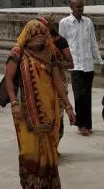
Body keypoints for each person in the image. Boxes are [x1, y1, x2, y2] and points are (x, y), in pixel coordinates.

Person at [6, 20, 76, 188]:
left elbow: (57, 81)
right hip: (24, 110)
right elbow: (9, 79)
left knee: (49, 148)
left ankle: (48, 183)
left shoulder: (50, 52)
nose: (39, 38)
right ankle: (31, 184)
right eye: (35, 35)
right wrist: (14, 103)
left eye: (42, 34)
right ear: (28, 36)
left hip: (48, 108)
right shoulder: (18, 52)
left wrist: (68, 106)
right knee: (29, 149)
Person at [58, 0, 103, 136]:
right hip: (75, 65)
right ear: (71, 7)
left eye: (82, 7)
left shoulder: (88, 22)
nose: (80, 9)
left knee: (87, 95)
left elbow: (93, 43)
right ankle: (81, 124)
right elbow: (61, 45)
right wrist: (62, 64)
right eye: (78, 7)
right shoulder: (64, 23)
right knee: (79, 95)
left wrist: (100, 62)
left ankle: (87, 124)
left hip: (88, 64)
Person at [39, 16, 73, 146]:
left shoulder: (60, 42)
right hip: (42, 83)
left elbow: (71, 64)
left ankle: (54, 145)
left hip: (58, 82)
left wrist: (56, 64)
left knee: (58, 115)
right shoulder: (37, 43)